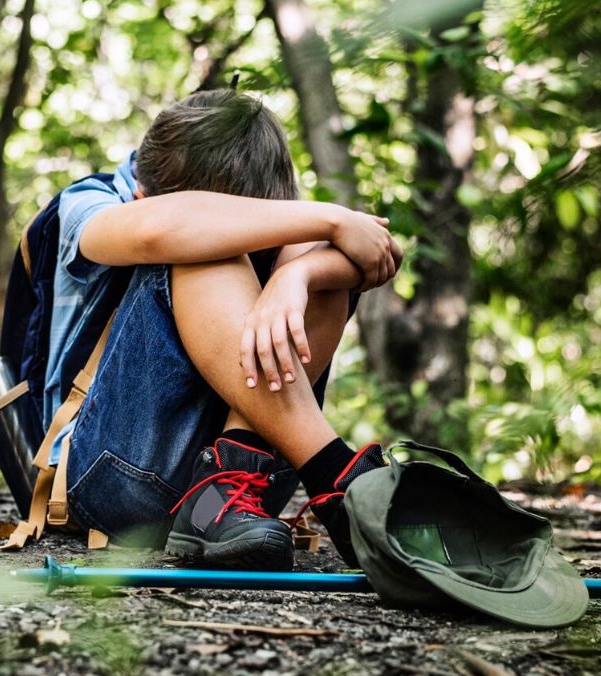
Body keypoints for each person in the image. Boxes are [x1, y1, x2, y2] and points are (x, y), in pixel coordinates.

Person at [43, 88, 401, 572]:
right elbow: (157, 231)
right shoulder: (91, 200)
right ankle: (334, 473)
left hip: (242, 501)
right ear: (143, 195)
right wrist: (335, 217)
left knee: (311, 251)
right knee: (201, 245)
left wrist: (296, 275)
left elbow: (378, 257)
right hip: (115, 476)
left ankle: (231, 473)